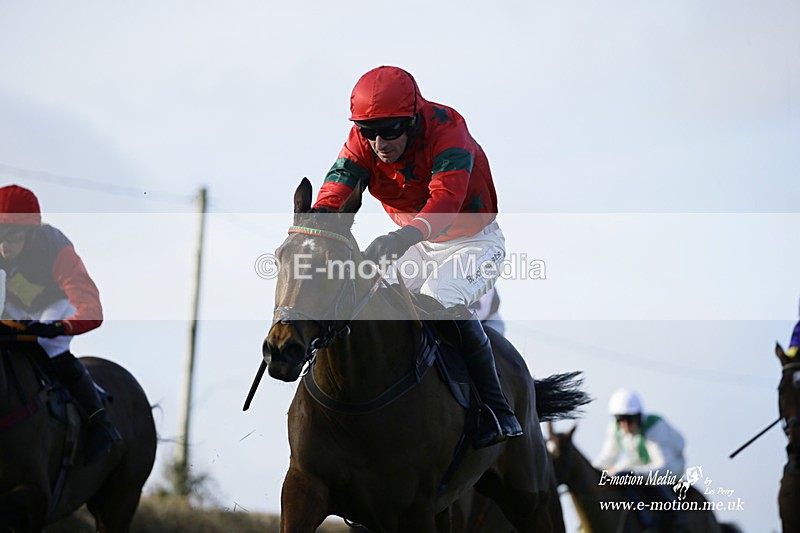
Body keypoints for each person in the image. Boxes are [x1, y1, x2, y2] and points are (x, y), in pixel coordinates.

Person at [313, 65, 521, 447]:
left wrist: (400, 238)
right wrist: (319, 221)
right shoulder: (365, 139)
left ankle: (495, 410)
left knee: (437, 301)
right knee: (370, 301)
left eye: (391, 131)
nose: (379, 143)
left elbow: (445, 200)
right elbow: (338, 181)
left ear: (412, 119)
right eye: (368, 131)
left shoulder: (448, 129)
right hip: (417, 243)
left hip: (473, 242)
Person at [0, 184, 121, 464]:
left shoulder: (56, 249)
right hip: (13, 305)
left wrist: (59, 327)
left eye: (13, 236)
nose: (4, 245)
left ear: (32, 233)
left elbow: (93, 310)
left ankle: (100, 423)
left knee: (50, 346)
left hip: (53, 305)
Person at [593, 388, 686, 476]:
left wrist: (634, 473)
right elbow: (607, 457)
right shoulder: (615, 426)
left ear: (638, 416)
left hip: (670, 469)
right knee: (620, 470)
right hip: (639, 465)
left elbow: (663, 466)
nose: (625, 424)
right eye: (620, 419)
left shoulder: (655, 427)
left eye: (629, 419)